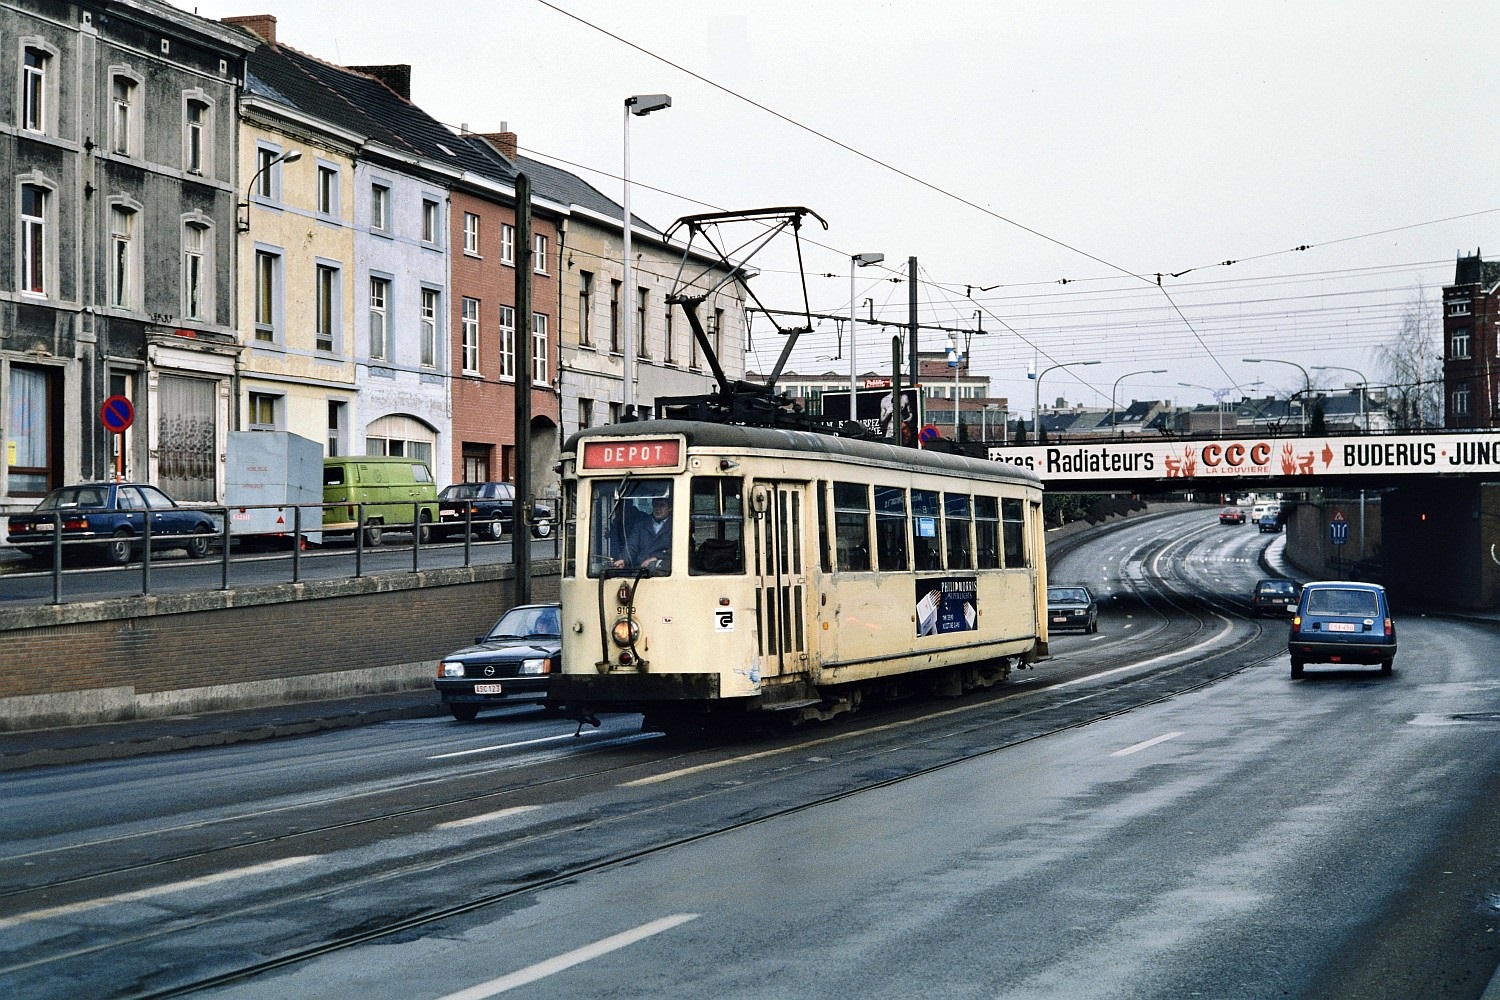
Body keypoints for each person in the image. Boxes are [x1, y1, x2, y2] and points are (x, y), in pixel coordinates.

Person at [614, 495, 672, 570]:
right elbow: (632, 545)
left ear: (670, 508)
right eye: (655, 505)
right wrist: (624, 559)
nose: (658, 509)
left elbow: (678, 549)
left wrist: (656, 557)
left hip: (665, 571)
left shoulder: (675, 526)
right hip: (641, 571)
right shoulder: (641, 525)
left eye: (662, 505)